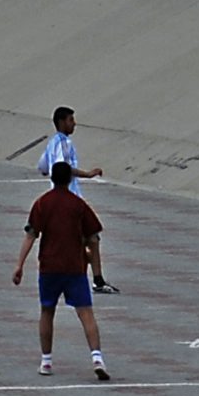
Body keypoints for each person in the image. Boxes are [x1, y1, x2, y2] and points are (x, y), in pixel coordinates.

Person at [11, 161, 109, 380]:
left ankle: (46, 361)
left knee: (47, 311)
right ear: (70, 179)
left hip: (49, 267)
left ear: (52, 178)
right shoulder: (78, 205)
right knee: (86, 313)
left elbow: (31, 235)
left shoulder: (42, 203)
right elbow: (93, 238)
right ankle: (97, 358)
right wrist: (96, 271)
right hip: (75, 267)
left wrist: (19, 265)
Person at [37, 106, 118, 293]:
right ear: (62, 122)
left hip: (58, 197)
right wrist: (88, 174)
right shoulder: (64, 143)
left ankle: (94, 278)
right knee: (90, 237)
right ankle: (90, 279)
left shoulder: (51, 143)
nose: (74, 124)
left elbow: (43, 167)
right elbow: (61, 166)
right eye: (71, 120)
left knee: (88, 239)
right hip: (71, 198)